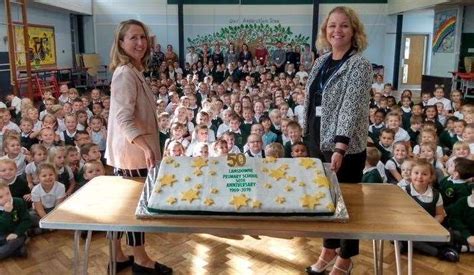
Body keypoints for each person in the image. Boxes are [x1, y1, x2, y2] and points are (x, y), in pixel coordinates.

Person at [304, 6, 372, 275]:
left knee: (347, 205)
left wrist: (340, 146)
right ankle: (328, 250)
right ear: (325, 31)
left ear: (354, 31)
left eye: (344, 25)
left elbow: (351, 107)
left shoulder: (359, 64)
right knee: (326, 202)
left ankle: (346, 258)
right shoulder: (321, 61)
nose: (337, 31)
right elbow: (312, 101)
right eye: (332, 25)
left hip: (345, 147)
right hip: (317, 141)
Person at [106, 19, 172, 274]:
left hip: (130, 153)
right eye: (133, 38)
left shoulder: (133, 71)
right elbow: (123, 118)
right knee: (135, 210)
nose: (140, 42)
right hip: (133, 154)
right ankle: (141, 260)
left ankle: (117, 256)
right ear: (121, 43)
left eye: (142, 37)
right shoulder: (124, 74)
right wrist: (145, 148)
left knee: (122, 209)